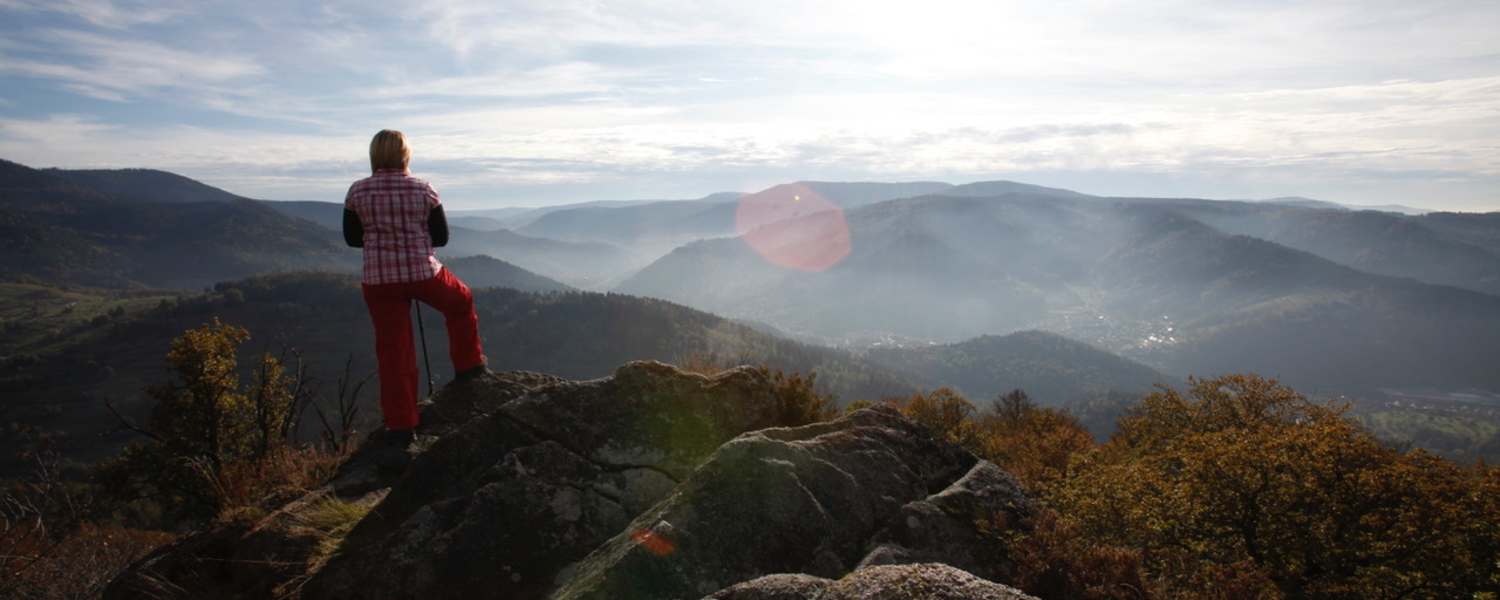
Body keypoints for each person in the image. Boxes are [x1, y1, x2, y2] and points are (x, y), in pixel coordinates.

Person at [343, 129, 487, 450]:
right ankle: (469, 367)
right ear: (405, 155)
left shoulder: (357, 192)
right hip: (423, 273)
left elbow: (353, 238)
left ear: (374, 155)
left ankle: (401, 427)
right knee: (460, 301)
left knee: (394, 351)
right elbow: (441, 237)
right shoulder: (423, 188)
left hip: (379, 280)